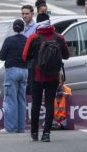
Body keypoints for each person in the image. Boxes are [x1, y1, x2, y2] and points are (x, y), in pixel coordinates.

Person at [22, 13, 70, 142]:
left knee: (36, 104)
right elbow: (67, 55)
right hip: (53, 76)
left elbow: (24, 56)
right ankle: (46, 133)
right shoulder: (59, 37)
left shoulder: (33, 37)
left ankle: (34, 133)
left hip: (37, 76)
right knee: (50, 104)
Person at [0, 19, 28, 133]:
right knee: (21, 99)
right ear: (23, 28)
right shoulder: (27, 40)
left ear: (13, 28)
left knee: (10, 100)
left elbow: (1, 56)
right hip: (24, 71)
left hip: (12, 70)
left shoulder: (9, 40)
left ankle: (10, 127)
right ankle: (21, 127)